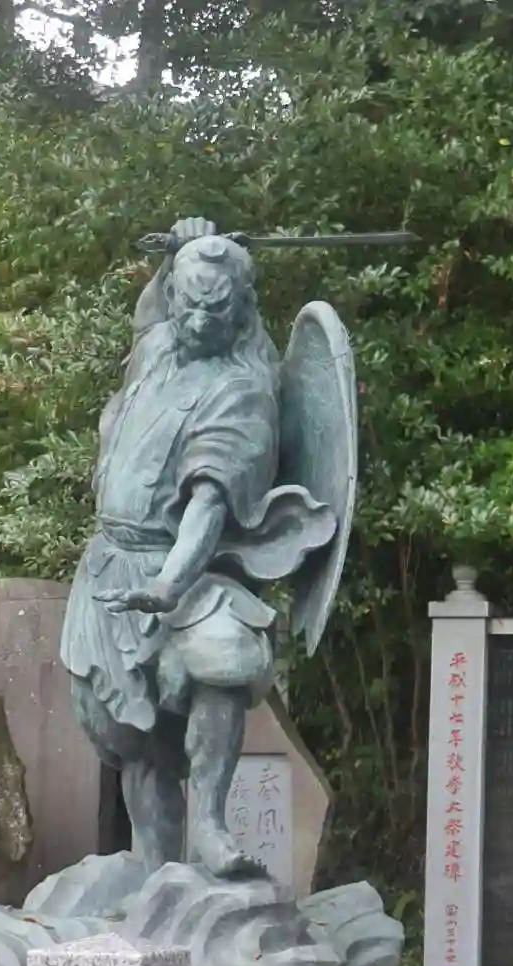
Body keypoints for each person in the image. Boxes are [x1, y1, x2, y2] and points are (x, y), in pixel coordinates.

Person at [61, 216, 334, 874]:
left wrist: (168, 586)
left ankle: (210, 821)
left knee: (224, 654)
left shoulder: (241, 391)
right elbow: (147, 319)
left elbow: (208, 504)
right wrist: (178, 249)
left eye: (215, 308)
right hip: (109, 566)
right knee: (136, 739)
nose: (198, 320)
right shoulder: (160, 351)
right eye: (187, 302)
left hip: (180, 568)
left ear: (240, 310)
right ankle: (151, 869)